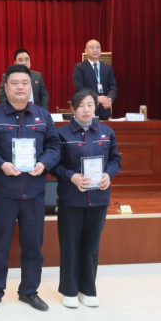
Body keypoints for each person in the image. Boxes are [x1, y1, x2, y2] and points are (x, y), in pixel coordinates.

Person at [0, 64, 61, 312]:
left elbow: (54, 146)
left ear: (31, 87)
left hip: (34, 191)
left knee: (33, 245)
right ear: (6, 87)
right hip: (4, 191)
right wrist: (1, 164)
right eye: (14, 83)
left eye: (25, 83)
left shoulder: (43, 116)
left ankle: (29, 291)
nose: (20, 87)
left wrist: (43, 163)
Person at [50, 88, 121, 308]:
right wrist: (71, 176)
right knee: (70, 245)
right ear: (72, 109)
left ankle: (87, 290)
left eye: (90, 105)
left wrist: (108, 174)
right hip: (71, 198)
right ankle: (70, 290)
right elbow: (53, 164)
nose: (86, 109)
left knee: (91, 245)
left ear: (96, 107)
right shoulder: (61, 134)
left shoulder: (106, 132)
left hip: (98, 198)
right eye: (81, 106)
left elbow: (115, 160)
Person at [73, 40, 118, 120]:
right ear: (86, 51)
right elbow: (79, 87)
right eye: (92, 48)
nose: (95, 50)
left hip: (104, 109)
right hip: (87, 110)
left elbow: (113, 87)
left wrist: (109, 99)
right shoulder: (79, 67)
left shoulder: (107, 67)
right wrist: (96, 98)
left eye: (97, 48)